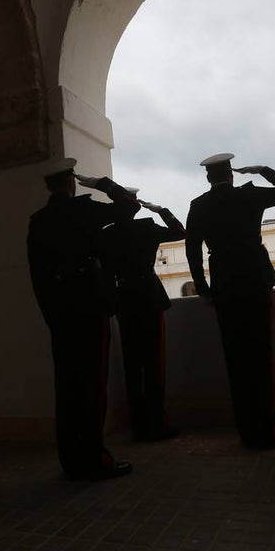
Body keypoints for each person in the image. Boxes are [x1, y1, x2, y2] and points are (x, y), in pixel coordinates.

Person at [27, 158, 138, 480]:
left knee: (67, 384)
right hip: (90, 305)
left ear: (49, 186)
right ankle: (93, 459)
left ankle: (71, 458)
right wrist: (103, 184)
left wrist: (50, 314)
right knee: (92, 384)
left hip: (60, 312)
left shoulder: (39, 220)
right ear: (71, 182)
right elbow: (129, 207)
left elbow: (38, 275)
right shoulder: (84, 209)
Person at [185, 153, 275, 449]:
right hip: (254, 276)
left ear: (208, 177)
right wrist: (264, 170)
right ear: (231, 174)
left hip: (223, 281)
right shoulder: (249, 195)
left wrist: (202, 286)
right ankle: (268, 430)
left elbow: (192, 249)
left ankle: (247, 430)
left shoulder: (199, 205)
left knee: (235, 357)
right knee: (261, 354)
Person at [100, 189, 184, 442]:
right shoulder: (147, 227)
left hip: (124, 298)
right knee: (154, 364)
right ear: (135, 205)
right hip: (149, 296)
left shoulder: (107, 234)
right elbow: (180, 232)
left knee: (132, 365)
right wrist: (162, 211)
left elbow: (104, 271)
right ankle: (156, 424)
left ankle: (139, 425)